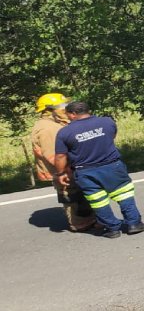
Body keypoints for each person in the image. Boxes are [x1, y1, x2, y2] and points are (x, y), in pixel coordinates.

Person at [54, 101, 144, 238]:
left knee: (98, 200)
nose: (68, 117)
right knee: (124, 194)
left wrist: (60, 173)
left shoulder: (64, 132)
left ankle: (112, 229)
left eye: (68, 114)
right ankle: (134, 223)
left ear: (73, 114)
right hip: (112, 166)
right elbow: (111, 137)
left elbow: (60, 157)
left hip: (85, 171)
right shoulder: (107, 122)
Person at [30, 93, 96, 233]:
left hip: (70, 168)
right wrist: (66, 171)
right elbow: (53, 156)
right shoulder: (47, 129)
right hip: (64, 171)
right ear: (49, 110)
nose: (66, 108)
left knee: (81, 194)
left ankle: (88, 218)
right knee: (71, 195)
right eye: (62, 106)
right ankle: (79, 223)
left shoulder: (55, 123)